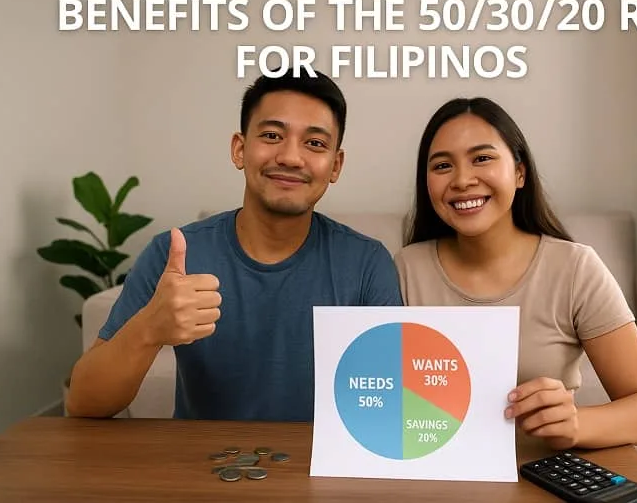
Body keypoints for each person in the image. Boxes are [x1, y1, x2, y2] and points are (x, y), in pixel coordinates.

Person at [66, 67, 403, 421]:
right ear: (240, 149)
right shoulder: (174, 255)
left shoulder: (368, 264)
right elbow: (83, 403)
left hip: (320, 467)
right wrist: (149, 328)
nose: (290, 157)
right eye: (272, 135)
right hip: (204, 467)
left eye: (315, 143)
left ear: (335, 165)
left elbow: (392, 406)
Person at [394, 97, 637, 451]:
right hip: (435, 471)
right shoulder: (404, 268)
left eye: (482, 158)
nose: (462, 180)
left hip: (542, 476)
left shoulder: (575, 269)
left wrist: (575, 424)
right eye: (442, 166)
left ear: (520, 172)